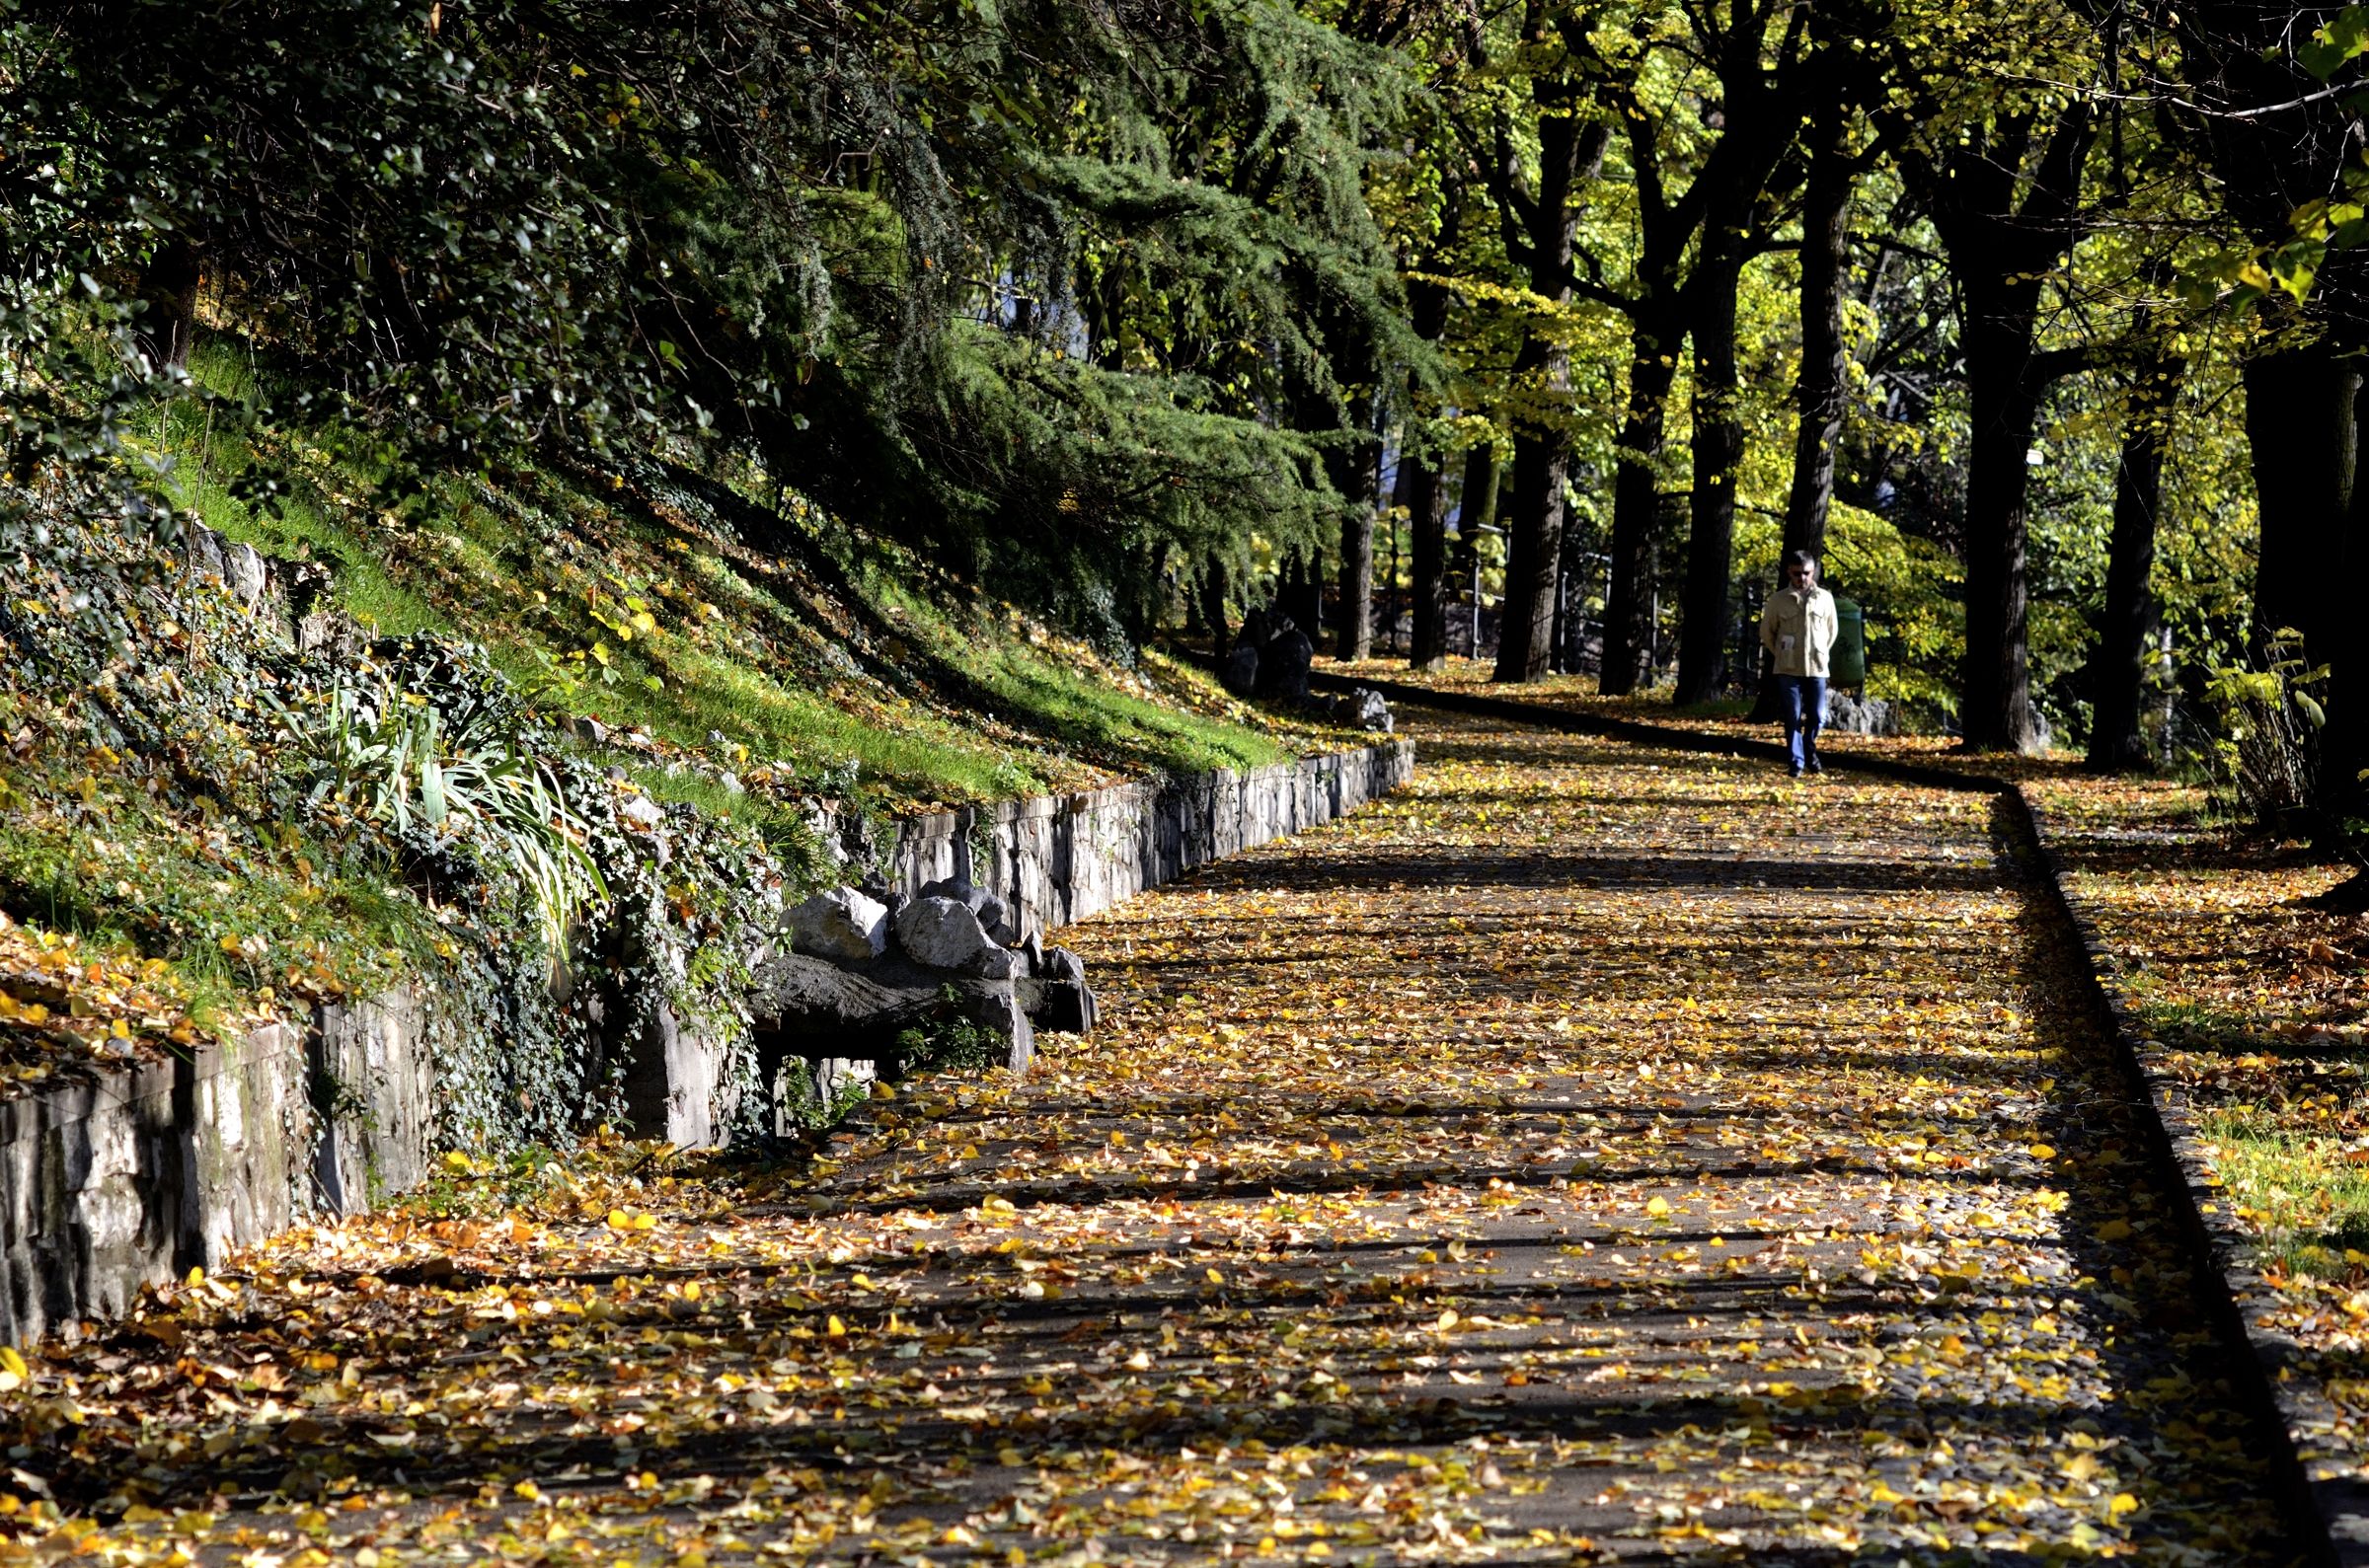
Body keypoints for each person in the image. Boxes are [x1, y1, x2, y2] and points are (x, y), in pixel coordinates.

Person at [1758, 551, 1838, 778]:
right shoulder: (1777, 600)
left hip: (1817, 666)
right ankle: (1797, 762)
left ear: (1813, 572)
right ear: (1788, 573)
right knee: (1792, 715)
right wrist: (1782, 655)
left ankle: (1809, 748)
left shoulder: (1825, 598)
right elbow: (1767, 632)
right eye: (1797, 573)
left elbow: (1832, 632)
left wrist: (1820, 652)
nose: (1801, 578)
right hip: (1788, 668)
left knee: (1818, 715)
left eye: (1806, 573)